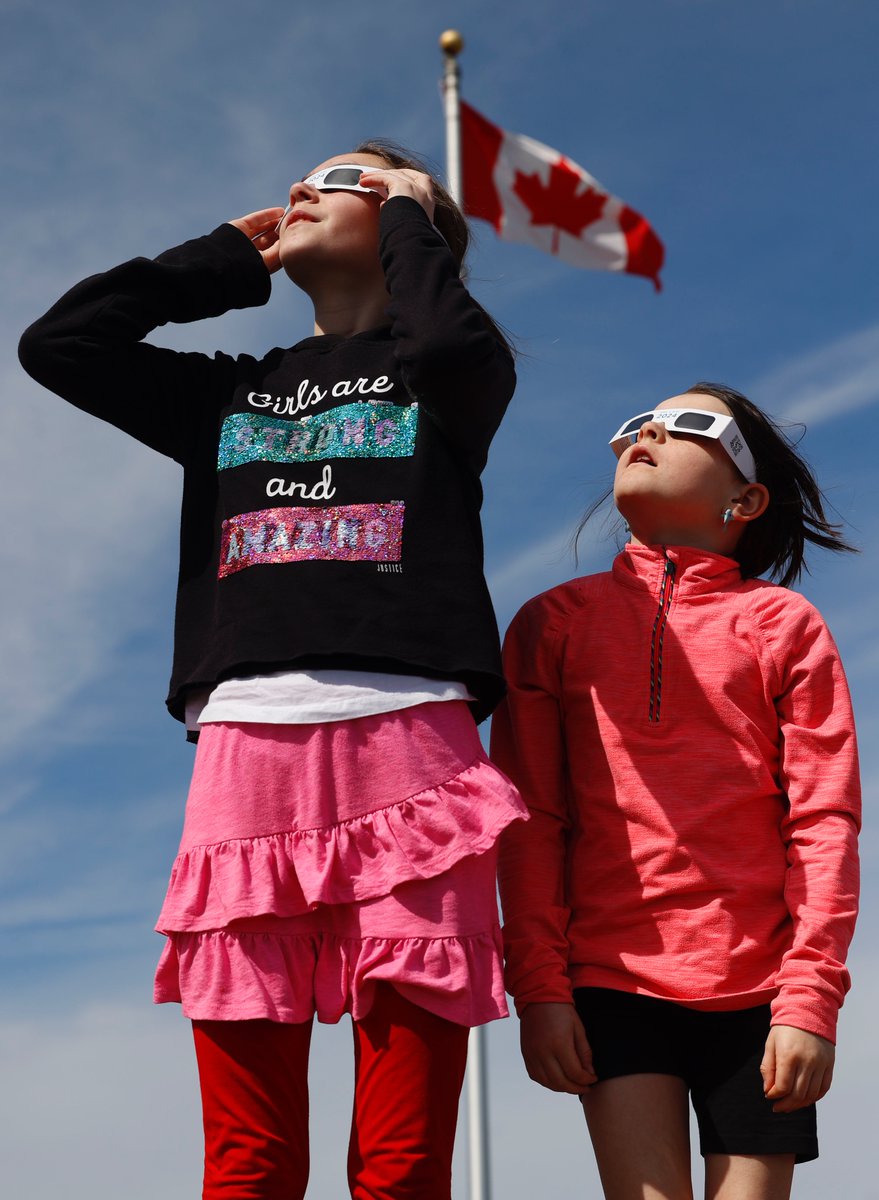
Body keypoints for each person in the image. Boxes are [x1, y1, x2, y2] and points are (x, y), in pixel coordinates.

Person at [18, 141, 527, 1200]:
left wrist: (408, 214)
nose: (305, 189)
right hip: (247, 751)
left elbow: (443, 330)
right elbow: (59, 344)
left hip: (413, 753)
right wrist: (221, 261)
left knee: (400, 1162)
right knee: (246, 1162)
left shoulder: (448, 371)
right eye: (307, 177)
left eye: (344, 182)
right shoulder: (230, 397)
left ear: (408, 228)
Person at [491, 384, 860, 1200]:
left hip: (761, 990)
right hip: (607, 983)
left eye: (691, 425)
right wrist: (541, 988)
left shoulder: (784, 626)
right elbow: (531, 823)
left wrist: (808, 1002)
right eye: (634, 423)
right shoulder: (550, 626)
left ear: (746, 497)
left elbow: (823, 821)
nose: (648, 430)